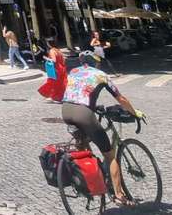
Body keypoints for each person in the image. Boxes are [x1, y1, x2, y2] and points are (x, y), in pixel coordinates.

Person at [62, 51, 145, 207]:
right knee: (109, 155)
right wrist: (135, 113)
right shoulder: (101, 75)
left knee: (84, 147)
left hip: (66, 110)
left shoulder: (73, 71)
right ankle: (119, 196)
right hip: (83, 113)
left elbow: (77, 92)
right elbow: (121, 98)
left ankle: (89, 179)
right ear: (96, 62)